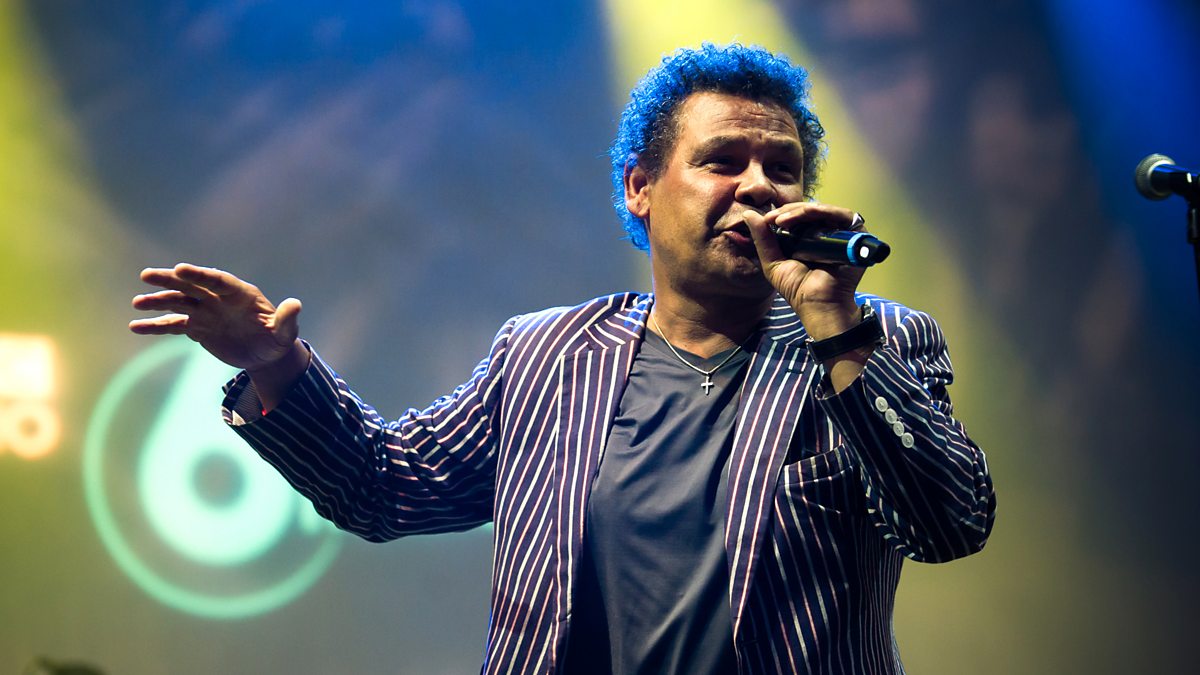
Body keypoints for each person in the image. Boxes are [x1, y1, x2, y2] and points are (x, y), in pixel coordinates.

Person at [130, 43, 994, 675]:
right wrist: (277, 367)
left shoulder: (870, 341)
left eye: (783, 167)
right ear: (641, 187)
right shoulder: (545, 354)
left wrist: (835, 324)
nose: (760, 187)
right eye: (723, 161)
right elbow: (385, 488)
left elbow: (949, 525)